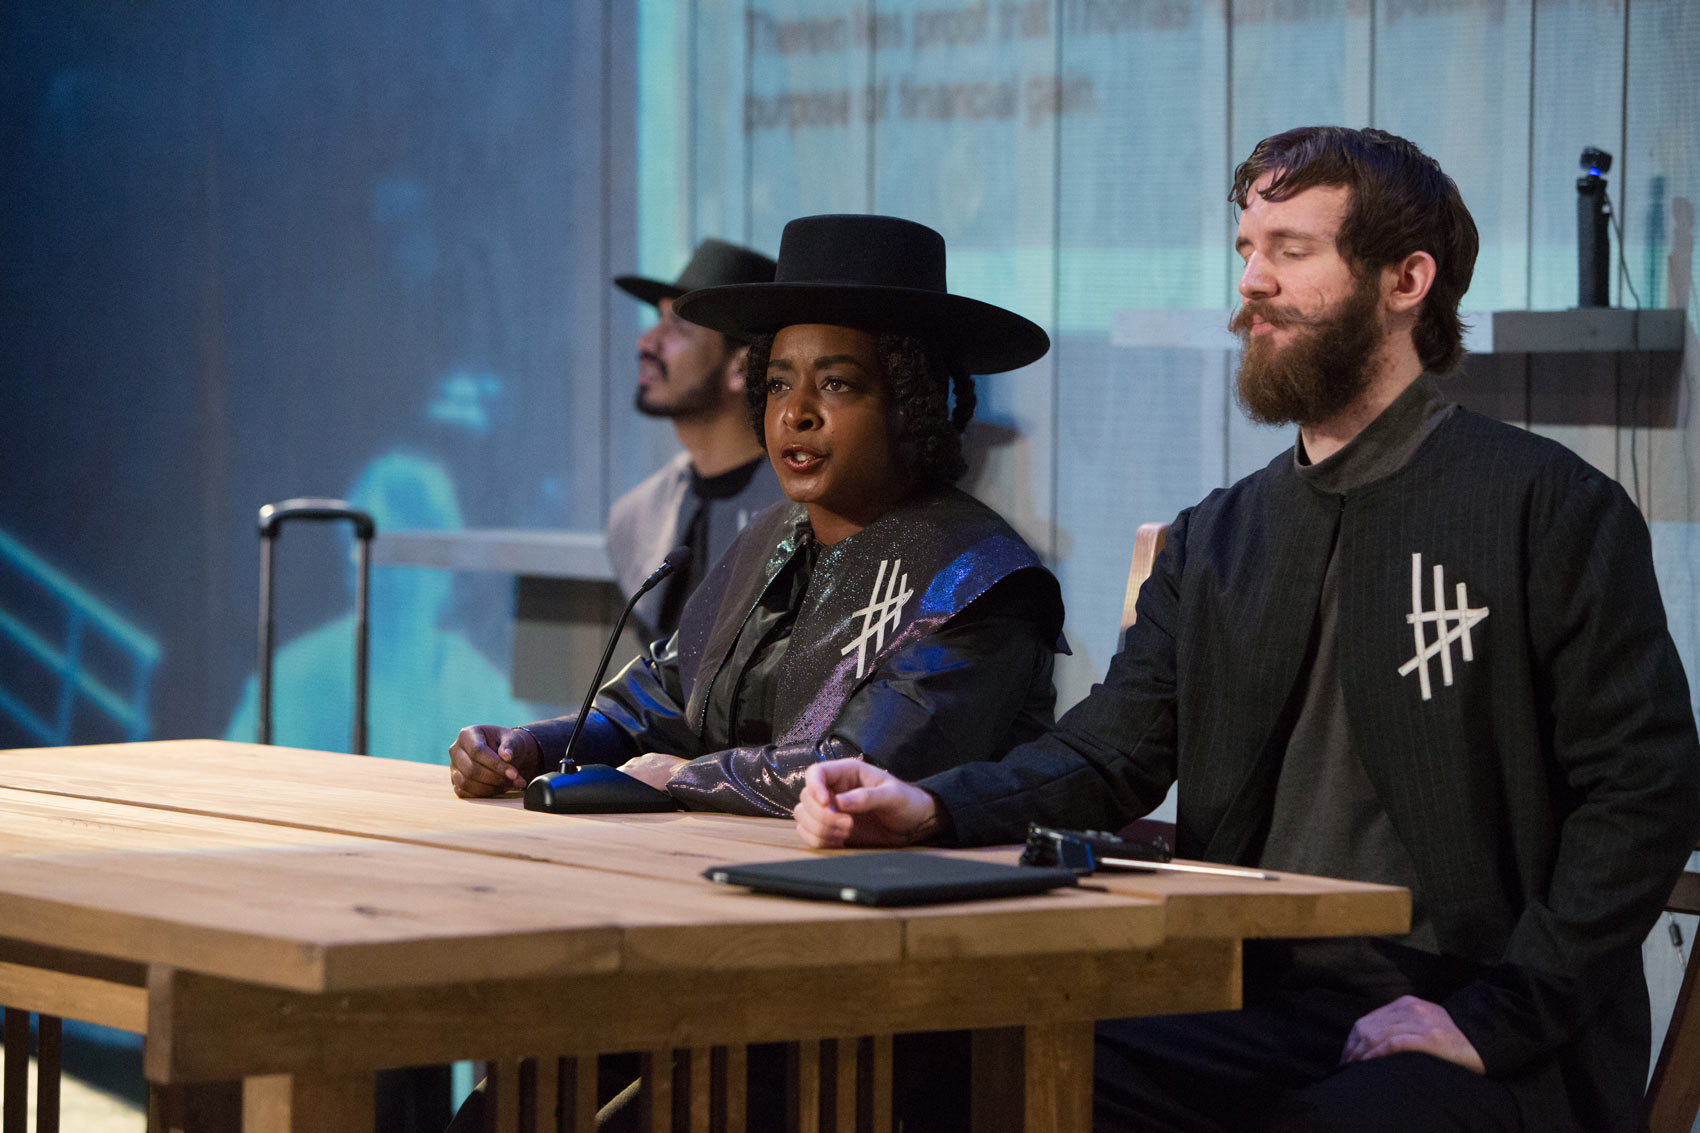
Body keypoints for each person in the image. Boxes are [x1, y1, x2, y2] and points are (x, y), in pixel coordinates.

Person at [794, 128, 1700, 1132]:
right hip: (1250, 995)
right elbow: (1110, 748)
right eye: (1245, 249)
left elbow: (1643, 793)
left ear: (1405, 279)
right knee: (961, 1077)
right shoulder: (1216, 536)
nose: (1253, 282)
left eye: (1290, 249)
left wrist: (1497, 1015)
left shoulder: (1547, 507)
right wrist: (925, 804)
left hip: (1476, 1022)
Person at [450, 212, 1064, 822]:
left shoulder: (978, 578)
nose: (795, 413)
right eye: (777, 385)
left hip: (925, 899)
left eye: (838, 385)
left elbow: (860, 773)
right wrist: (528, 748)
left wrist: (687, 777)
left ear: (910, 404)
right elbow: (659, 701)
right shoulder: (774, 538)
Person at [607, 238, 787, 642]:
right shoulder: (637, 517)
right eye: (656, 320)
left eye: (677, 328)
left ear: (740, 366)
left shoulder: (801, 509)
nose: (647, 342)